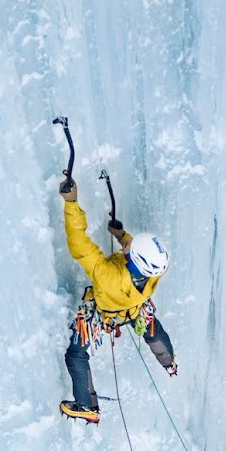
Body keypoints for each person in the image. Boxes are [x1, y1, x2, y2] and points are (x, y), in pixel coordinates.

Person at [57, 176, 178, 424]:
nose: (129, 244)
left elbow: (79, 244)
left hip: (103, 313)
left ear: (132, 261)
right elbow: (141, 255)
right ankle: (169, 362)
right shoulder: (156, 271)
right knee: (152, 329)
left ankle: (86, 405)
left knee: (76, 354)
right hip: (135, 309)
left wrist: (71, 203)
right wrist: (122, 235)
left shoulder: (107, 274)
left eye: (131, 247)